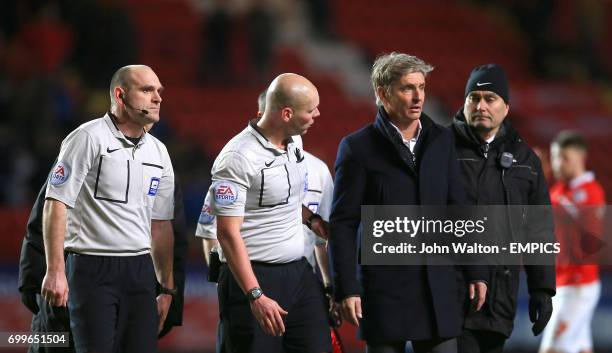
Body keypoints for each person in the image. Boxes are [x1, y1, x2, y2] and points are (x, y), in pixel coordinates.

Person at [329, 52, 488, 353]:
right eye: (407, 88)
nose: (418, 97)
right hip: (384, 293)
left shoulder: (443, 140)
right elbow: (343, 224)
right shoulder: (357, 148)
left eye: (422, 87)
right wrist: (346, 287)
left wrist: (476, 270)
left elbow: (459, 210)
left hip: (438, 289)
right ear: (382, 93)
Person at [40, 65, 176, 353]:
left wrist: (166, 287)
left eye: (159, 91)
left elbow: (161, 224)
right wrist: (55, 270)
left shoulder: (159, 152)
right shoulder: (87, 138)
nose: (158, 98)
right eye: (147, 90)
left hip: (140, 270)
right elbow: (56, 203)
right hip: (91, 266)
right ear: (120, 94)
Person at [197, 89, 343, 353]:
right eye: (311, 110)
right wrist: (254, 294)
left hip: (300, 273)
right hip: (256, 277)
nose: (318, 115)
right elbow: (227, 233)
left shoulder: (294, 141)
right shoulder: (236, 158)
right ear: (287, 114)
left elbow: (283, 198)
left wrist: (312, 221)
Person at [18, 172, 188, 352]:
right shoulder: (86, 148)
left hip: (125, 302)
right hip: (64, 298)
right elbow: (47, 213)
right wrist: (35, 291)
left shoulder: (156, 161)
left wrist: (167, 296)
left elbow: (168, 237)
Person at [451, 63, 556, 353]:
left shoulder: (526, 160)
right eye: (474, 97)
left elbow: (539, 229)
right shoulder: (440, 149)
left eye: (490, 98)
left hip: (500, 302)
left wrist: (542, 289)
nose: (480, 105)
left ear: (506, 107)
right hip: (450, 298)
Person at [539, 131, 605, 353]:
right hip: (562, 282)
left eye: (563, 158)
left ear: (580, 158)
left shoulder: (591, 193)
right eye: (555, 157)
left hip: (578, 283)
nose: (557, 164)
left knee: (551, 349)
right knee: (581, 348)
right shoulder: (558, 191)